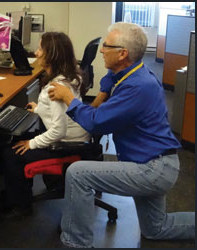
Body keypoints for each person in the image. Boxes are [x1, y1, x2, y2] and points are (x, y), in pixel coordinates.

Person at [48, 22, 195, 248]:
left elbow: (96, 123)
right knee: (156, 228)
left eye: (106, 45)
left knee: (78, 174)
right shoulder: (131, 72)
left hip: (153, 169)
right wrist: (100, 95)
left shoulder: (137, 87)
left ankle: (76, 243)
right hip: (159, 162)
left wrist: (69, 98)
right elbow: (110, 78)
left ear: (122, 53)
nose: (101, 50)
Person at [0, 32, 90, 219]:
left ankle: (20, 204)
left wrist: (31, 144)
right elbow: (61, 112)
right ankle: (17, 192)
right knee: (18, 141)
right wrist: (40, 109)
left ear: (52, 55)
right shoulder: (67, 78)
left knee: (12, 152)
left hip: (66, 142)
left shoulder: (54, 88)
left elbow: (58, 130)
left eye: (41, 49)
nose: (37, 53)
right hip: (78, 136)